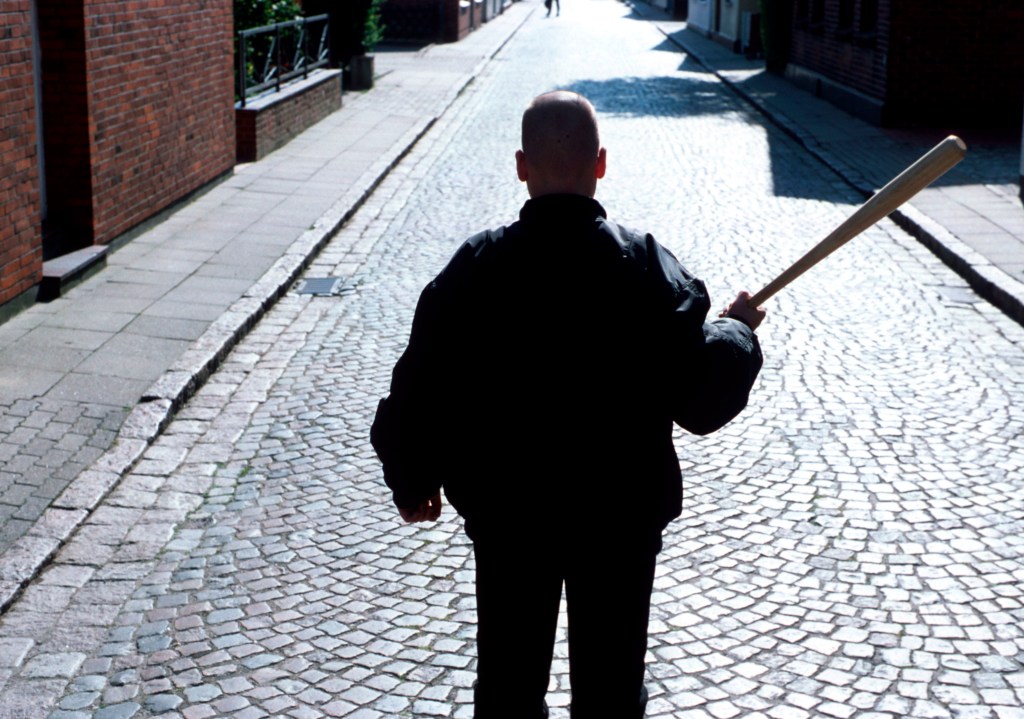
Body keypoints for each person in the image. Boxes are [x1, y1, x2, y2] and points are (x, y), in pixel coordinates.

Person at [371, 90, 765, 719]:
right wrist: (736, 332)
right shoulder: (645, 266)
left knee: (508, 685)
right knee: (610, 693)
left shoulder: (478, 265)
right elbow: (698, 395)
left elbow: (421, 381)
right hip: (618, 518)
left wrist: (411, 479)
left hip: (509, 516)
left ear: (521, 166)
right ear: (600, 163)